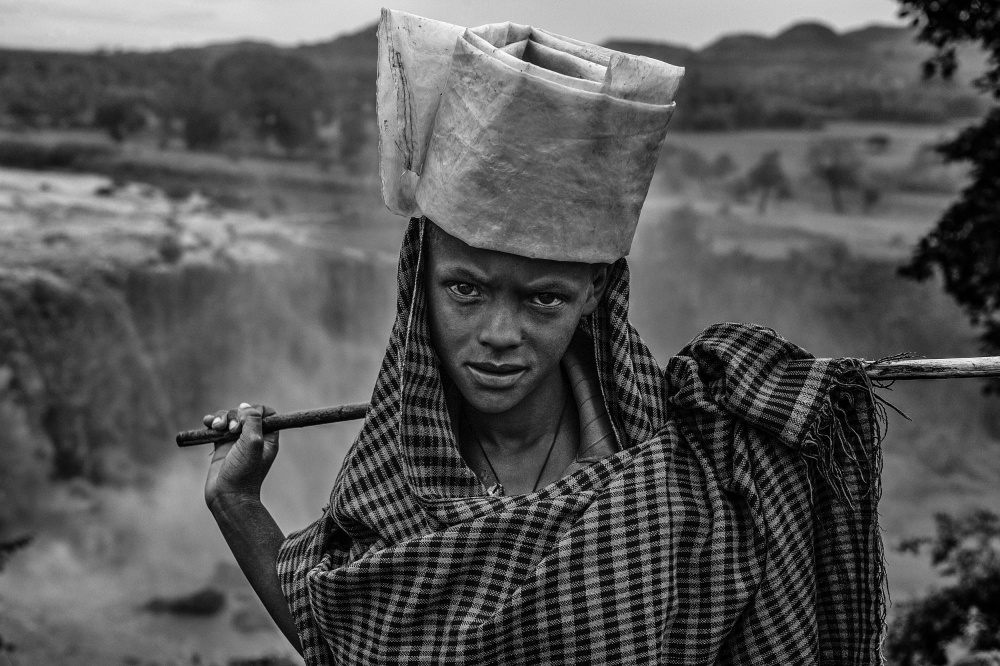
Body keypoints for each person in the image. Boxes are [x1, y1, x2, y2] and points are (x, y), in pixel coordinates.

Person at [203, 10, 886, 665]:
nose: (499, 336)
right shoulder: (389, 476)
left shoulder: (689, 476)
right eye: (465, 289)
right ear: (420, 280)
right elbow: (345, 645)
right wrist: (236, 503)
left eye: (543, 298)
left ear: (594, 295)